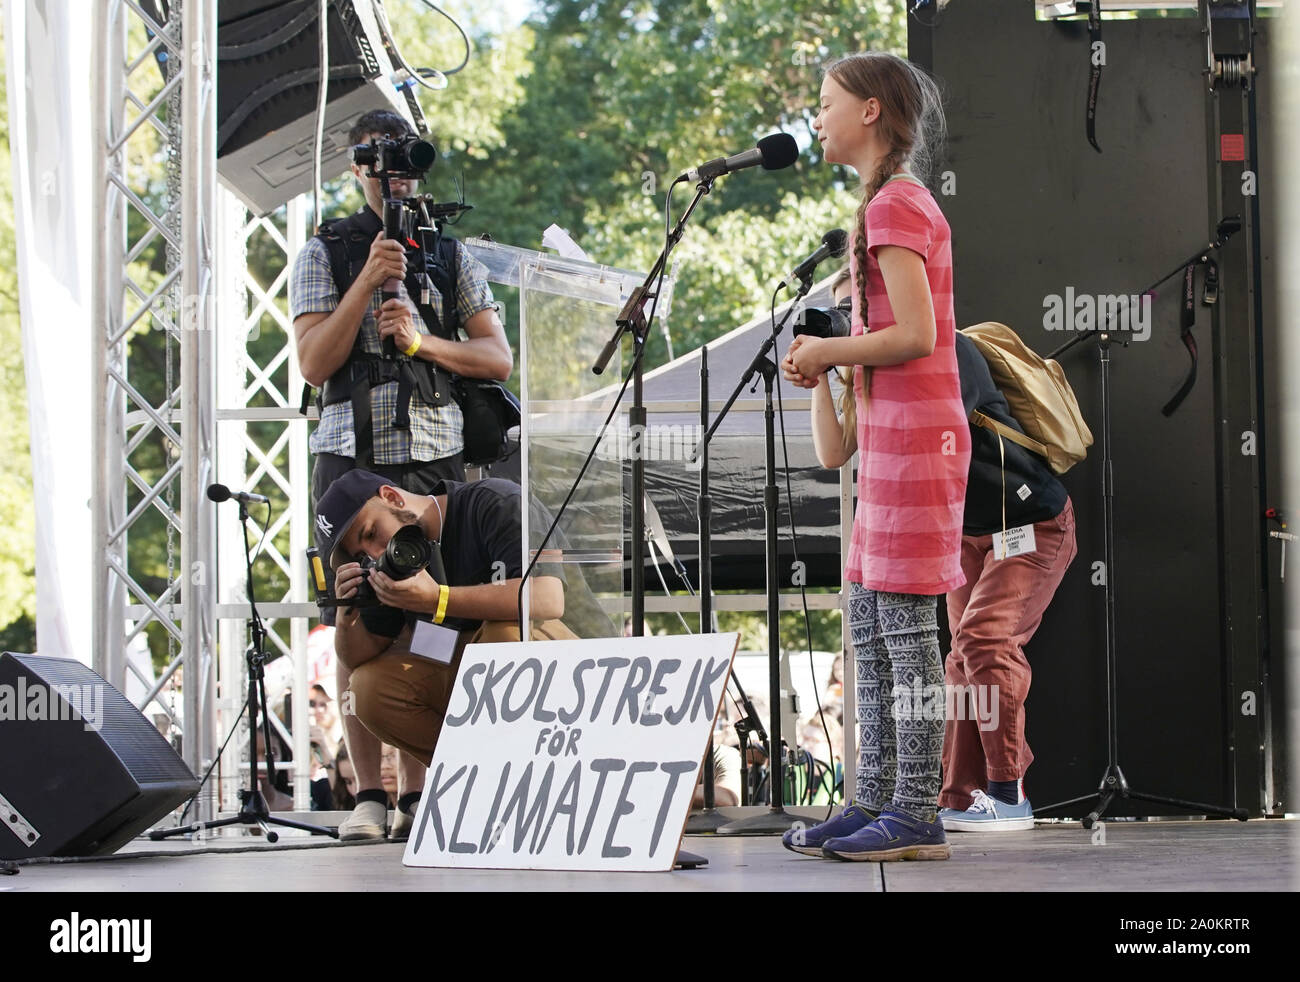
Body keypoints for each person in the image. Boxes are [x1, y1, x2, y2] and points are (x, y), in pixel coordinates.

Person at [290, 107, 513, 841]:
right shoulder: (326, 248)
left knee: (427, 602)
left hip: (435, 456)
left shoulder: (452, 257)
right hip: (348, 457)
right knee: (354, 612)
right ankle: (366, 793)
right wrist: (369, 280)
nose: (393, 174)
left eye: (404, 160)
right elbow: (314, 363)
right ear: (355, 168)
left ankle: (418, 788)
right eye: (375, 160)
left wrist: (423, 344)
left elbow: (496, 360)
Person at [781, 51, 966, 862]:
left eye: (826, 103)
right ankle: (876, 799)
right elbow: (836, 445)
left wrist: (834, 352)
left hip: (922, 443)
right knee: (869, 617)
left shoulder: (895, 204)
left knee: (904, 626)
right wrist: (824, 365)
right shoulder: (879, 209)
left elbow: (921, 336)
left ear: (869, 112)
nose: (815, 118)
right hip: (890, 446)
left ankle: (916, 808)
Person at [313, 469, 613, 839]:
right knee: (368, 688)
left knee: (503, 638)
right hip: (474, 670)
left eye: (372, 534)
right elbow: (359, 657)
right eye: (362, 553)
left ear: (392, 497)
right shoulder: (387, 564)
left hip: (579, 666)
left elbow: (548, 598)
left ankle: (526, 781)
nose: (375, 553)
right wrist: (347, 613)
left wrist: (436, 599)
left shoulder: (494, 501)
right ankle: (483, 781)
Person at [937, 335, 1077, 832]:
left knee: (985, 640)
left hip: (1032, 524)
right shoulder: (872, 369)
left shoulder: (949, 348)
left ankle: (1007, 792)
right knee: (961, 657)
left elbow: (939, 427)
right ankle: (959, 795)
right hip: (970, 535)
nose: (856, 323)